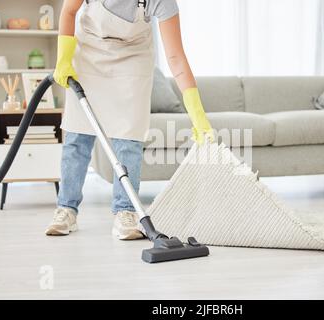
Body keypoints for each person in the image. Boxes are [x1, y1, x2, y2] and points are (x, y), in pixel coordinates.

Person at [45, 0, 214, 239]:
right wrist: (63, 58)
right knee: (78, 135)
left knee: (130, 137)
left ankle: (126, 211)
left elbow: (175, 57)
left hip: (132, 59)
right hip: (88, 53)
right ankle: (66, 208)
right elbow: (69, 10)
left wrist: (198, 115)